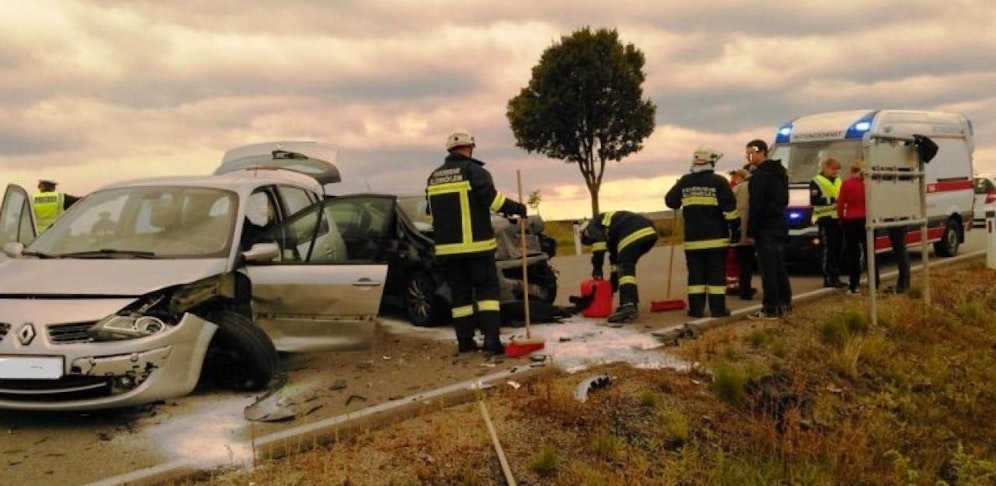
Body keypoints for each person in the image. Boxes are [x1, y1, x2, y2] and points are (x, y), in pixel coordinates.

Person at [426, 129, 527, 355]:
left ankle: (465, 342)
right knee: (487, 294)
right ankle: (491, 342)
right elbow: (494, 201)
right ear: (470, 147)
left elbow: (431, 216)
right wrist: (519, 209)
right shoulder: (475, 171)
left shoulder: (434, 177)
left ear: (449, 149)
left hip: (448, 252)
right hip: (477, 248)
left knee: (460, 298)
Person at [665, 146, 738, 319]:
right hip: (717, 240)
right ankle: (718, 310)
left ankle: (696, 310)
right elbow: (730, 210)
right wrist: (735, 227)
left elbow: (670, 201)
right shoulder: (719, 181)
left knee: (695, 277)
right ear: (711, 162)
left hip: (693, 241)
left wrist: (681, 187)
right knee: (716, 276)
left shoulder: (685, 181)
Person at [578, 210, 658, 324]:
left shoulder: (593, 225)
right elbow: (614, 259)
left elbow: (599, 247)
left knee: (625, 268)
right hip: (648, 232)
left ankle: (628, 306)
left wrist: (597, 269)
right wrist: (613, 282)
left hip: (633, 231)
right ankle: (630, 303)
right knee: (625, 265)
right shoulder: (610, 231)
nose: (592, 243)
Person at [743, 139, 793, 320]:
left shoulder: (760, 176)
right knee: (779, 266)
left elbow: (756, 205)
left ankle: (770, 308)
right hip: (779, 223)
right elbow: (785, 200)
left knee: (768, 269)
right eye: (747, 153)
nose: (748, 156)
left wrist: (751, 231)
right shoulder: (780, 173)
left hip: (766, 226)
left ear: (762, 152)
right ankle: (784, 304)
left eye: (752, 152)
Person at [810, 158, 846, 288]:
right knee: (829, 249)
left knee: (837, 249)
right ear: (825, 168)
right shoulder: (816, 181)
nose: (835, 172)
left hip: (838, 219)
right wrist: (833, 199)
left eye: (837, 169)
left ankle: (835, 276)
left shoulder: (838, 180)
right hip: (825, 219)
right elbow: (814, 200)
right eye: (833, 169)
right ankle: (829, 277)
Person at [836, 159, 867, 295]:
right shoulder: (866, 184)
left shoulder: (846, 184)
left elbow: (840, 204)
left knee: (853, 255)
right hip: (866, 220)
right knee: (870, 252)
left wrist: (841, 219)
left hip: (850, 221)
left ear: (851, 170)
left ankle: (854, 285)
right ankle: (875, 284)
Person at [732, 164, 757, 300]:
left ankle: (744, 289)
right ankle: (747, 289)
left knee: (743, 263)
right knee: (751, 262)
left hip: (740, 230)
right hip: (755, 230)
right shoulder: (756, 187)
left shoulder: (738, 188)